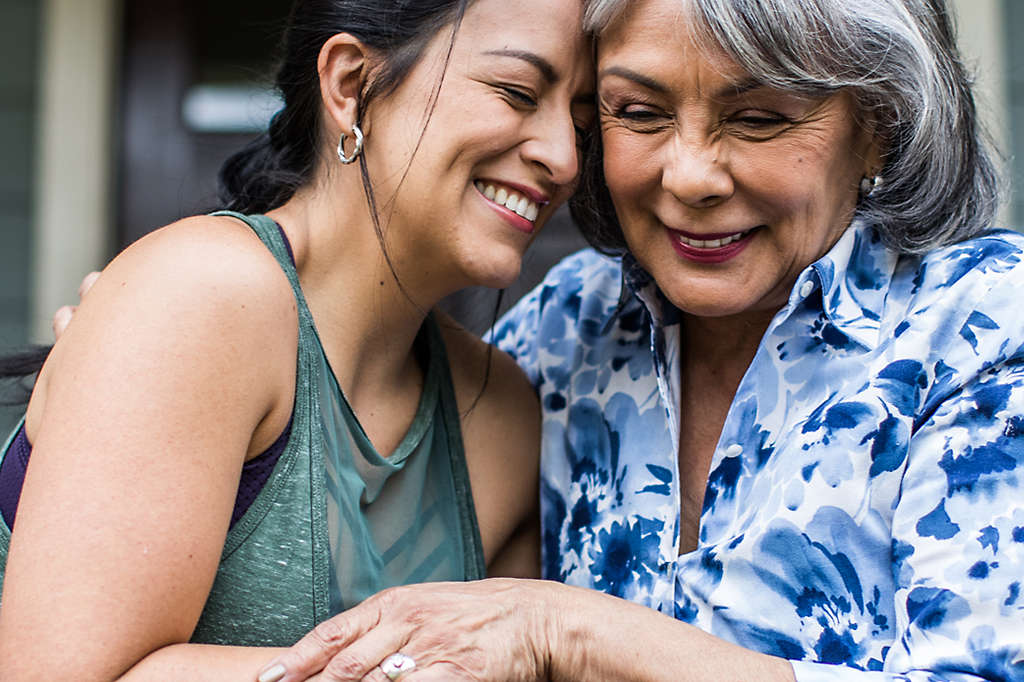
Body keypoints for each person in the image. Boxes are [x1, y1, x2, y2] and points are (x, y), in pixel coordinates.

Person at [260, 0, 1024, 680]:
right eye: (638, 113)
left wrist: (565, 629)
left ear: (877, 133)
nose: (690, 176)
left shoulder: (983, 324)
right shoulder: (565, 326)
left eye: (759, 118)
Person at [0, 0, 594, 679]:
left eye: (582, 121)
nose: (564, 158)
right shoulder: (203, 295)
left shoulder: (501, 416)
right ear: (349, 85)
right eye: (518, 93)